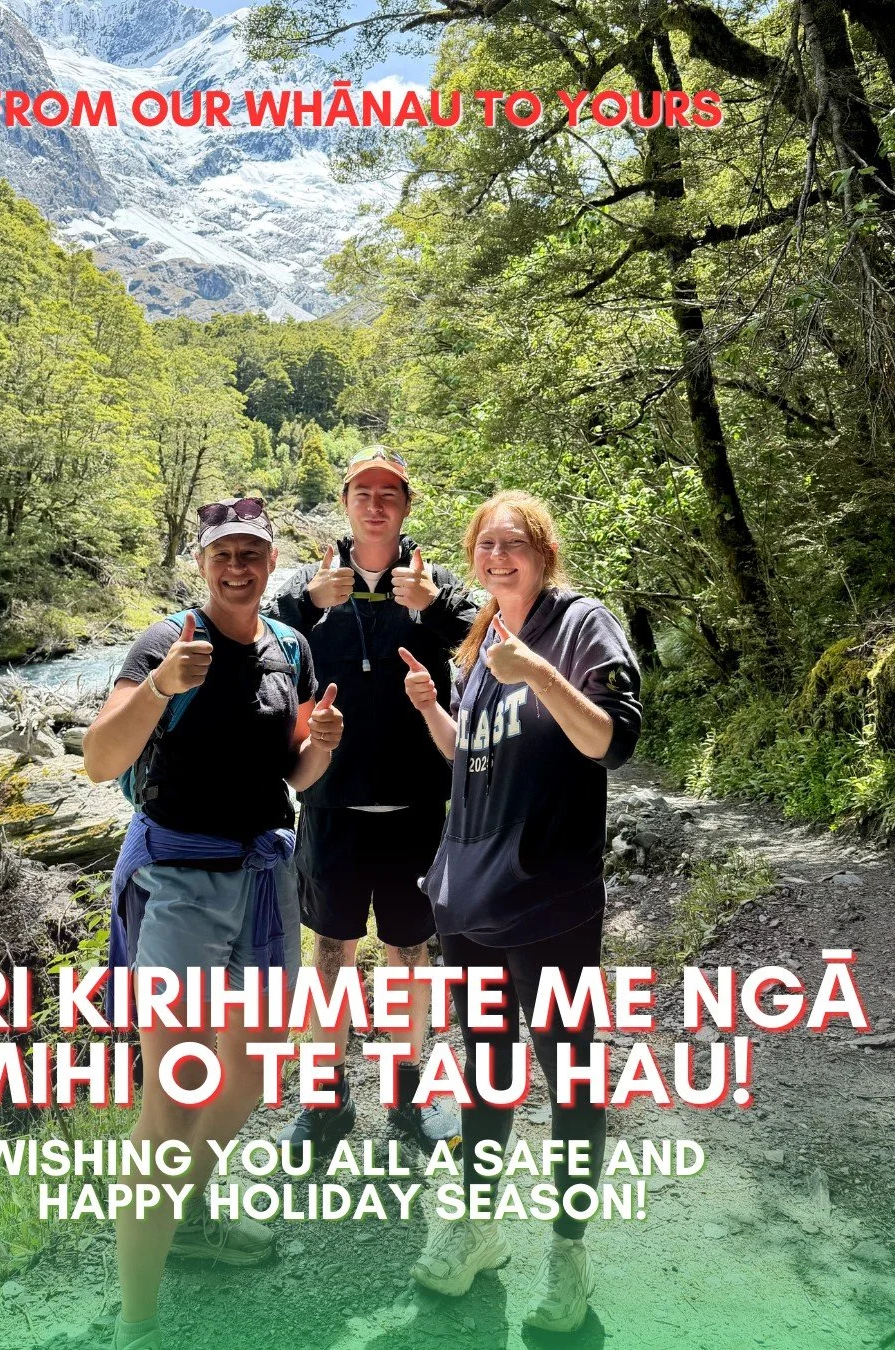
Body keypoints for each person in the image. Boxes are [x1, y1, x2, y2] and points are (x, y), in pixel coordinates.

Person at [82, 497, 343, 1350]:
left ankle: (183, 1217)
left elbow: (292, 773)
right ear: (201, 563)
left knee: (254, 1073)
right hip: (179, 885)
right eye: (224, 554)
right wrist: (161, 687)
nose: (239, 567)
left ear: (271, 563)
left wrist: (323, 744)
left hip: (262, 876)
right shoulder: (163, 643)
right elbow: (100, 761)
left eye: (252, 554)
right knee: (176, 1098)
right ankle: (137, 1321)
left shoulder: (290, 648)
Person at [401, 489, 642, 1333]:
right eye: (486, 545)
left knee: (568, 1070)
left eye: (514, 544)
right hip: (468, 897)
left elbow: (612, 741)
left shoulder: (580, 625)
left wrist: (538, 672)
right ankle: (479, 1229)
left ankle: (569, 1253)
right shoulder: (481, 643)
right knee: (487, 1068)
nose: (498, 557)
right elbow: (472, 758)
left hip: (549, 894)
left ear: (544, 553)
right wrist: (433, 709)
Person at [268, 446, 478, 1152]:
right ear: (346, 502)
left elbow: (491, 641)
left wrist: (435, 609)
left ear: (407, 506)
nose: (376, 504)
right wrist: (309, 604)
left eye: (390, 493)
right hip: (330, 802)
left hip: (418, 804)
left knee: (409, 952)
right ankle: (326, 1101)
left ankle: (408, 1094)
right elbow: (259, 638)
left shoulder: (435, 582)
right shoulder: (308, 584)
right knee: (330, 951)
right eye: (364, 492)